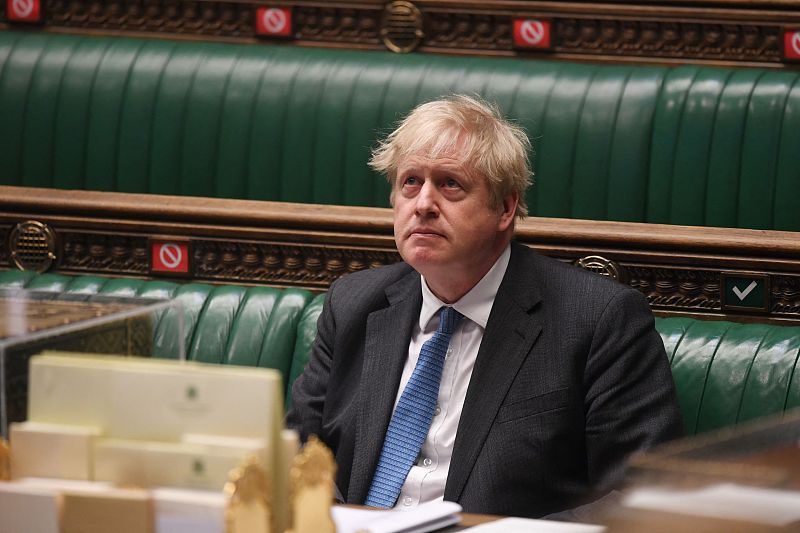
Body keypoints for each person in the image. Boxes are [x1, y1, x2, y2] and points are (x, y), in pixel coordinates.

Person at [286, 94, 682, 518]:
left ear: (505, 208)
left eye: (450, 184)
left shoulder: (598, 319)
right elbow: (294, 453)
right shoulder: (353, 305)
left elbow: (643, 494)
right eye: (410, 182)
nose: (423, 204)